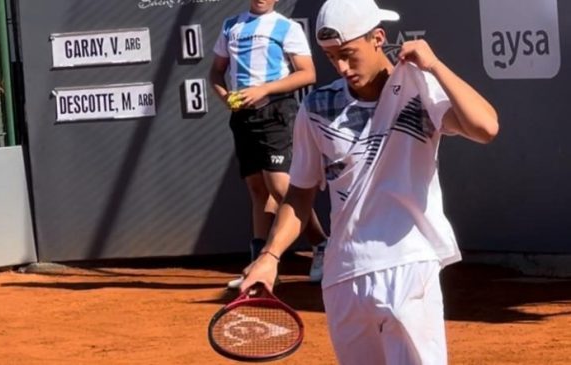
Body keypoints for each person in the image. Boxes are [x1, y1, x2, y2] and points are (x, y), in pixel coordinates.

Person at [240, 0, 499, 363]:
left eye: (348, 54)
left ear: (378, 38)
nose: (341, 67)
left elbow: (485, 127)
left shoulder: (419, 88)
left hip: (409, 267)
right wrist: (270, 256)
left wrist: (435, 65)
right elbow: (299, 195)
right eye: (331, 57)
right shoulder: (315, 108)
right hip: (342, 276)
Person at [209, 0, 329, 289]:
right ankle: (258, 265)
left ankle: (322, 246)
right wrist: (226, 97)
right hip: (243, 117)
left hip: (276, 112)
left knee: (282, 188)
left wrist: (264, 89)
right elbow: (215, 72)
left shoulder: (286, 28)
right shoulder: (230, 26)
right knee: (257, 190)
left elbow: (307, 73)